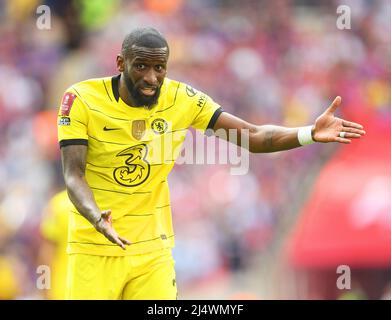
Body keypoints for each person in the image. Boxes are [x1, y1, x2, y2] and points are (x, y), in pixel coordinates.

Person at [57, 27, 365, 300]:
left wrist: (308, 133)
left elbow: (255, 136)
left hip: (153, 251)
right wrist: (98, 218)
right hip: (94, 248)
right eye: (141, 67)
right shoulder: (81, 99)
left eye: (159, 68)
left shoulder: (183, 99)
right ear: (121, 63)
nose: (151, 78)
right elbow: (73, 175)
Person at [39, 189, 72, 300]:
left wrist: (44, 289)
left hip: (62, 291)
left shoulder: (59, 204)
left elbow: (45, 256)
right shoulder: (110, 204)